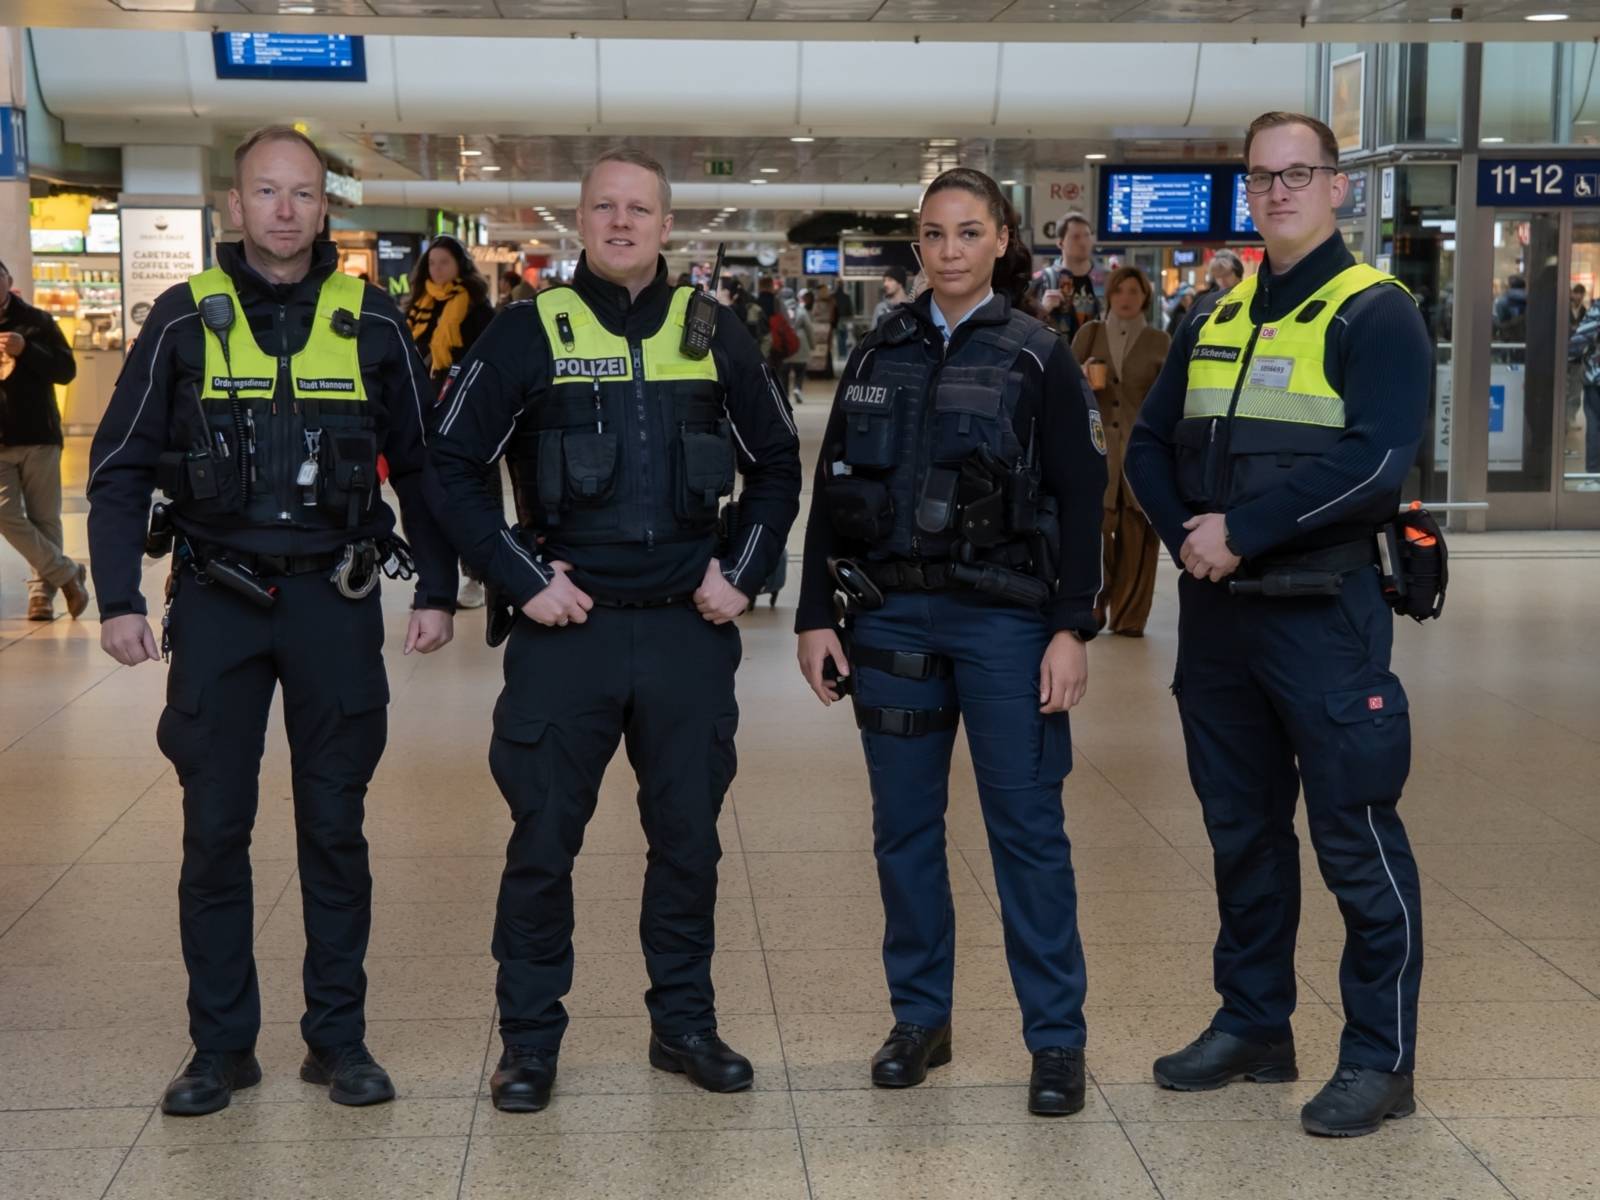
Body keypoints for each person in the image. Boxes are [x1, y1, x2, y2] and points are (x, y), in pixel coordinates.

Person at [86, 125, 458, 1118]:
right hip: (216, 602)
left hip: (333, 603)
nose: (285, 210)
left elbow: (424, 471)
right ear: (235, 206)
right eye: (267, 192)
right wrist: (118, 597)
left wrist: (435, 589)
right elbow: (119, 467)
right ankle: (220, 1048)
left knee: (334, 829)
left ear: (323, 208)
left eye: (303, 194)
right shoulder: (182, 319)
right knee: (214, 831)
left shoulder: (374, 324)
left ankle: (337, 1043)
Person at [426, 147, 802, 1115]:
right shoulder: (523, 333)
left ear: (666, 226)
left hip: (684, 630)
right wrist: (517, 577)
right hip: (568, 634)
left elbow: (775, 466)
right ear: (578, 222)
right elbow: (448, 467)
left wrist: (744, 572)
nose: (623, 223)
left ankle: (683, 1025)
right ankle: (529, 1043)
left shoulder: (713, 333)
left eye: (640, 210)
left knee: (688, 844)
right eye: (605, 208)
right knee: (542, 842)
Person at [1124, 111, 1429, 1139]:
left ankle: (1381, 1060)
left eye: (1299, 174)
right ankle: (1254, 1024)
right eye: (1261, 178)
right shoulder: (1215, 312)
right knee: (1241, 835)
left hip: (1322, 619)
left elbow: (1375, 464)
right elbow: (1147, 447)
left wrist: (1241, 532)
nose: (1279, 191)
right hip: (1218, 624)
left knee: (1354, 835)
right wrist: (1190, 541)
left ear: (1338, 187)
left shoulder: (1374, 312)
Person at [795, 166, 1106, 1119]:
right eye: (933, 235)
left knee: (1027, 834)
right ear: (917, 245)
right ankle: (920, 1019)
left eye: (968, 233)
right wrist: (815, 614)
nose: (950, 251)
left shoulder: (1037, 355)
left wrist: (1072, 627)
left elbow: (1085, 497)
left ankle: (1055, 1041)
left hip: (1007, 625)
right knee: (904, 833)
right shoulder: (877, 350)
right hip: (889, 617)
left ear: (1003, 241)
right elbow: (833, 483)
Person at [1071, 266, 1170, 636]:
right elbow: (1066, 386)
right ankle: (1094, 604)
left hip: (1142, 454)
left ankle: (1130, 617)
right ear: (1109, 295)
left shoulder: (1160, 341)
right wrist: (1082, 378)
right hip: (1096, 452)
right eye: (1120, 291)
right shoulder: (1090, 334)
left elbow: (1169, 399)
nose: (1126, 298)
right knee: (1093, 532)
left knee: (1138, 539)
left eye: (1134, 291)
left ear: (1145, 296)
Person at [407, 235, 498, 607]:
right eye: (432, 264)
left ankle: (479, 575)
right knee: (432, 492)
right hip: (428, 406)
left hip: (468, 409)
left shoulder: (475, 306)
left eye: (444, 263)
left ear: (460, 265)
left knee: (473, 489)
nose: (437, 270)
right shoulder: (419, 306)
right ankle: (437, 577)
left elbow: (490, 360)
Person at [0, 258, 91, 621]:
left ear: (8, 281)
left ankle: (42, 593)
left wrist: (27, 350)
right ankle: (67, 573)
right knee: (5, 514)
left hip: (39, 435)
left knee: (44, 517)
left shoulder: (36, 321)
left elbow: (66, 371)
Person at [1034, 212, 1101, 341]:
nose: (1083, 242)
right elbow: (1025, 328)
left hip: (1095, 358)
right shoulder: (1044, 280)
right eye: (1075, 237)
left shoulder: (1103, 279)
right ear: (1060, 243)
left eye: (1087, 236)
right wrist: (1043, 309)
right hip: (1057, 356)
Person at [1571, 297, 1600, 487]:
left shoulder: (1598, 309)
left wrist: (1568, 357)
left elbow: (1580, 339)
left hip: (1597, 378)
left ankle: (1594, 476)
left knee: (1596, 425)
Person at [780, 285, 813, 405]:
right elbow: (809, 328)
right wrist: (812, 344)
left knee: (784, 372)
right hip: (800, 342)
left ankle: (785, 395)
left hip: (785, 343)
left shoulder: (779, 311)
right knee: (800, 370)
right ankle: (797, 389)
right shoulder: (801, 310)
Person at [832, 277, 855, 359]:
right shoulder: (846, 297)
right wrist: (851, 317)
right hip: (844, 318)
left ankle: (841, 353)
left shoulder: (833, 297)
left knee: (839, 337)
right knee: (844, 336)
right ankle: (843, 353)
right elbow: (850, 309)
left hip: (836, 319)